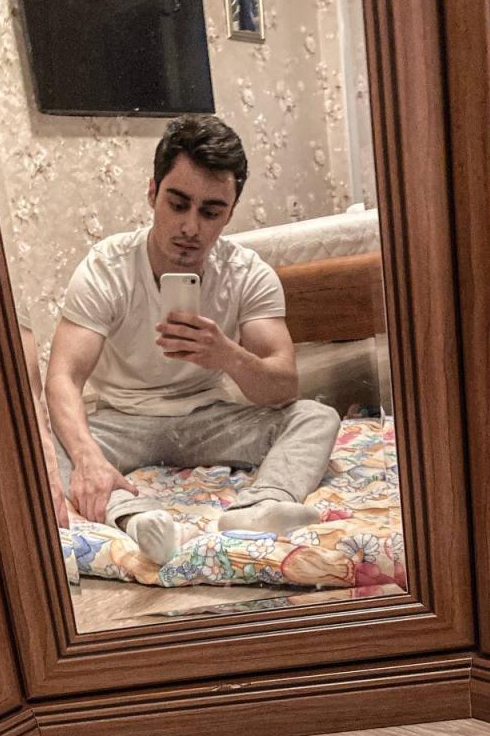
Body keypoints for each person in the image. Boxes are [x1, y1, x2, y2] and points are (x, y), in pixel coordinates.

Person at [45, 114, 340, 565]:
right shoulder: (106, 268)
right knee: (45, 445)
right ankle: (137, 517)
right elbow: (63, 377)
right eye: (177, 204)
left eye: (210, 212)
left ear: (230, 212)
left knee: (316, 416)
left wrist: (227, 355)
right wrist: (87, 458)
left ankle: (262, 504)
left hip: (208, 417)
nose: (190, 227)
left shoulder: (247, 274)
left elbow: (284, 386)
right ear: (152, 193)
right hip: (123, 421)